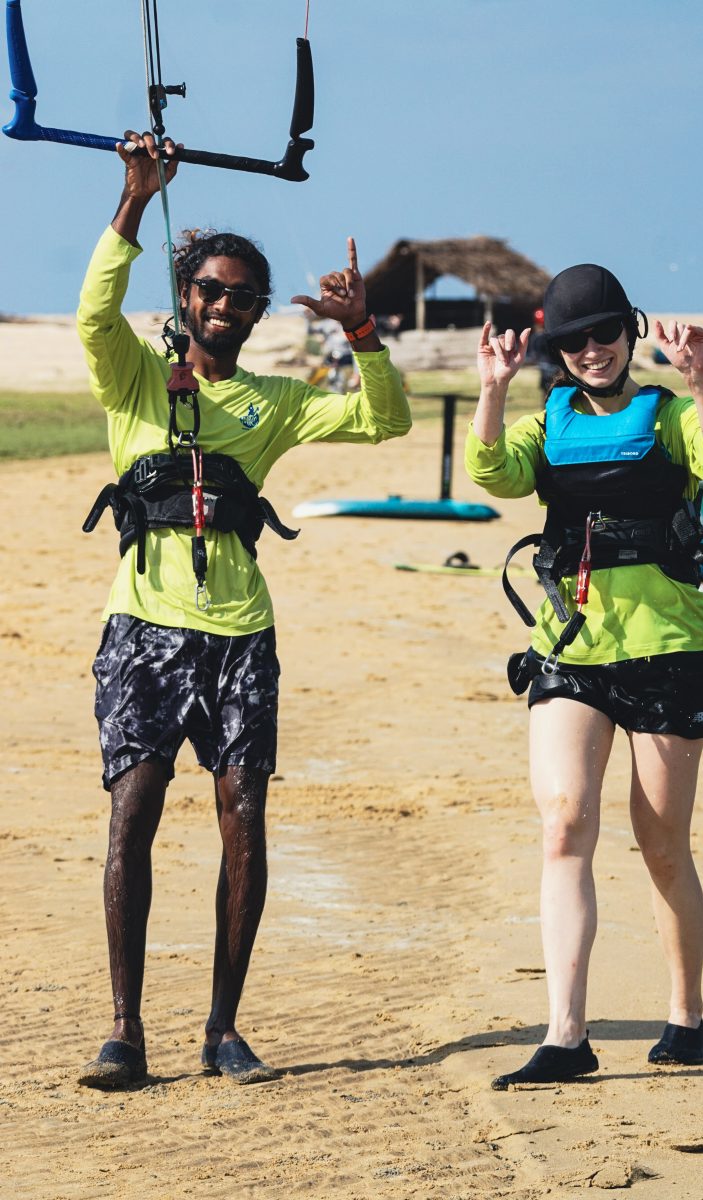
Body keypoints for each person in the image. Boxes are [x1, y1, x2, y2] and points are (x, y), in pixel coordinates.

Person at [77, 132, 412, 1089]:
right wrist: (137, 198)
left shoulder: (275, 402)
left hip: (241, 636)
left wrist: (361, 335)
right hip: (144, 627)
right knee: (132, 816)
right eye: (210, 291)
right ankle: (124, 1031)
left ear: (261, 312)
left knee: (245, 819)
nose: (224, 305)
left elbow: (382, 418)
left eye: (242, 296)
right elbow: (95, 314)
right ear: (185, 296)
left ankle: (224, 1029)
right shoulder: (137, 378)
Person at [464, 263, 703, 1089]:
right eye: (575, 339)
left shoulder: (665, 419)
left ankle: (685, 1012)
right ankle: (567, 1034)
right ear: (555, 348)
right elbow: (493, 476)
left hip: (666, 647)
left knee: (660, 846)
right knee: (563, 824)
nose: (593, 350)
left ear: (629, 334)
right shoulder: (545, 422)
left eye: (606, 334)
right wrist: (492, 390)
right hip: (571, 647)